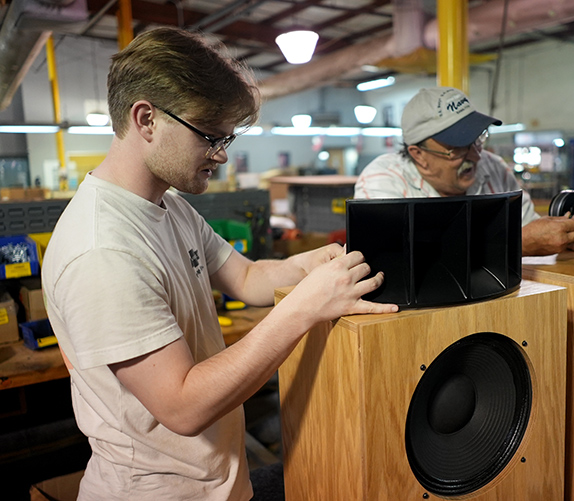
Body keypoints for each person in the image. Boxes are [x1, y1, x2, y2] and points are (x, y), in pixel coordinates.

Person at [41, 27, 397, 500]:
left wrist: (308, 266)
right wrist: (303, 308)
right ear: (146, 119)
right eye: (209, 135)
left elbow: (246, 277)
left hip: (221, 482)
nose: (222, 154)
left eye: (225, 137)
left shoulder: (169, 206)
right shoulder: (102, 250)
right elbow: (183, 406)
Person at [354, 86, 574, 256]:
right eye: (458, 148)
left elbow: (530, 230)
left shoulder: (494, 168)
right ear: (418, 154)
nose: (475, 155)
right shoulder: (382, 181)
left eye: (477, 139)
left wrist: (564, 236)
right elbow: (394, 258)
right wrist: (514, 242)